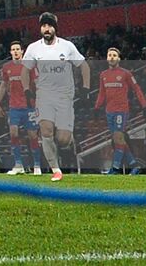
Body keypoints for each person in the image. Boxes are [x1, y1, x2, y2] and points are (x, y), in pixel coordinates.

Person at [22, 11, 89, 182]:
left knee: (63, 139)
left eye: (50, 25)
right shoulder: (33, 48)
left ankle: (70, 142)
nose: (46, 28)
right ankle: (56, 170)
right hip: (44, 96)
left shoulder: (67, 46)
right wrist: (26, 90)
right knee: (46, 130)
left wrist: (85, 88)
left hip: (65, 96)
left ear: (55, 28)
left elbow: (84, 66)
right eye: (44, 25)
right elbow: (25, 71)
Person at [95, 47, 146, 174]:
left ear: (118, 58)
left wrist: (144, 106)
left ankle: (115, 168)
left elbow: (137, 89)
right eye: (109, 55)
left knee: (118, 137)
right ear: (107, 58)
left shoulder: (126, 73)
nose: (111, 57)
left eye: (114, 55)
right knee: (119, 140)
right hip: (109, 111)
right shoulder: (103, 75)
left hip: (121, 110)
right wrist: (96, 107)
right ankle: (134, 165)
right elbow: (102, 93)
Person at [0, 41, 40, 175]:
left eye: (17, 49)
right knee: (13, 133)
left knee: (32, 135)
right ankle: (18, 164)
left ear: (22, 51)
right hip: (14, 106)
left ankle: (37, 165)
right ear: (10, 52)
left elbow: (37, 84)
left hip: (29, 106)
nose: (15, 51)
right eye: (13, 49)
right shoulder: (6, 67)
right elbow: (3, 85)